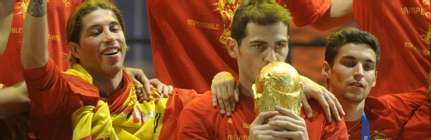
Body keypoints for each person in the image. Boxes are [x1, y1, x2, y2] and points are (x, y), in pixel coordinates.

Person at [21, 0, 196, 139]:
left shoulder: (156, 98)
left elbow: (209, 107)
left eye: (114, 29)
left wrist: (222, 78)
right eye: (96, 32)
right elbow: (36, 63)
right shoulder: (64, 94)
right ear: (75, 50)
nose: (110, 37)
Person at [179, 1, 348, 139]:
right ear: (232, 47)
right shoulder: (201, 114)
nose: (271, 58)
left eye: (280, 45)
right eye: (259, 46)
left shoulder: (324, 114)